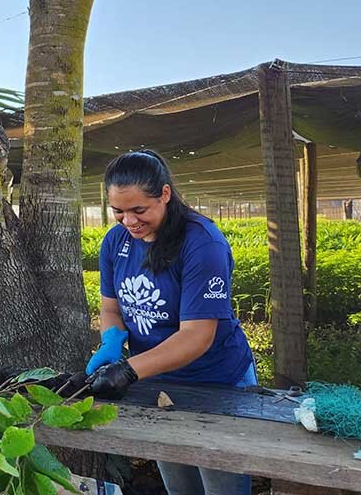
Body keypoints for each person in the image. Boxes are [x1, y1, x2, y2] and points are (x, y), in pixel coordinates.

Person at [86, 150, 255, 495]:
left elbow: (197, 336)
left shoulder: (202, 243)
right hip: (156, 382)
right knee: (179, 486)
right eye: (118, 211)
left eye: (139, 210)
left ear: (164, 194)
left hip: (215, 382)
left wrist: (128, 371)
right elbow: (111, 308)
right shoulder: (116, 242)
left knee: (221, 485)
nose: (128, 221)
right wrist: (111, 342)